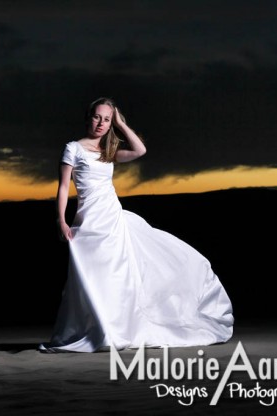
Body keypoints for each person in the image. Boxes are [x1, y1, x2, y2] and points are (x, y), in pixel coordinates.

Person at [39, 97, 234, 353]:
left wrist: (121, 123)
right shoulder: (73, 148)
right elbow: (64, 187)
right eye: (97, 117)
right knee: (89, 277)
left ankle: (115, 330)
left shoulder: (108, 153)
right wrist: (61, 220)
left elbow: (140, 150)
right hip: (88, 223)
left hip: (113, 221)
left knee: (117, 276)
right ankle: (99, 330)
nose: (101, 123)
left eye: (107, 119)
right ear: (88, 117)